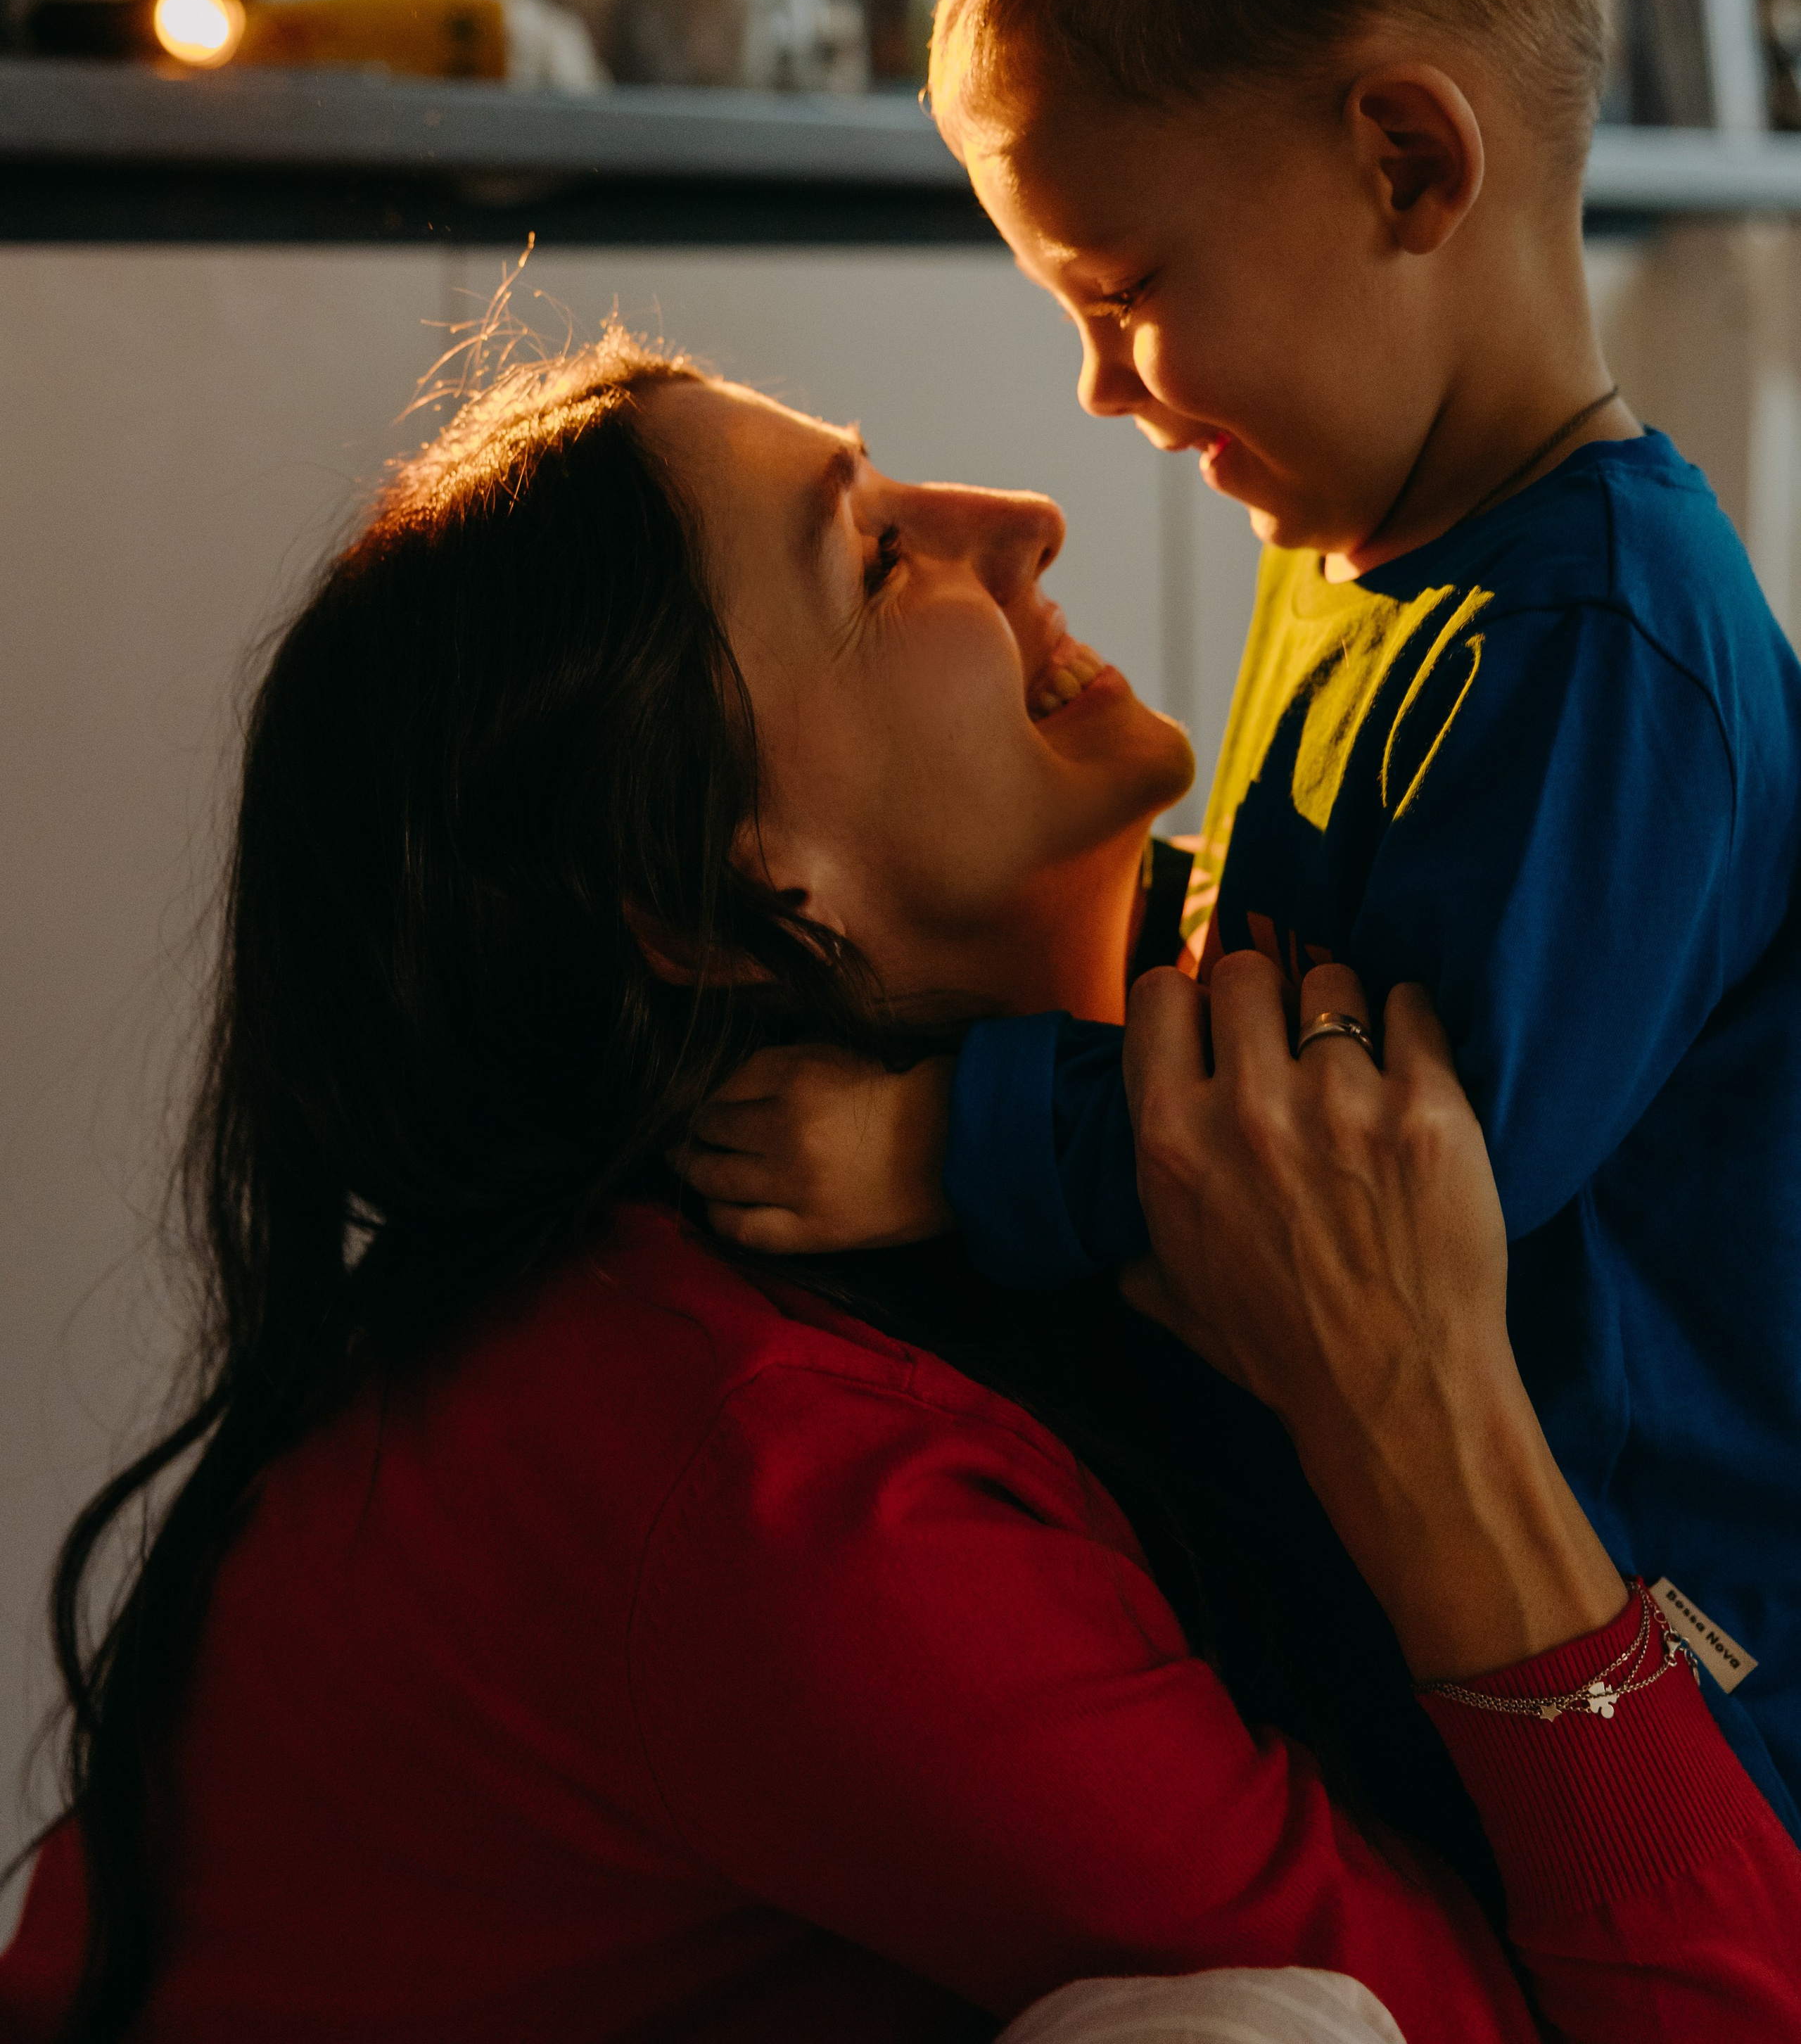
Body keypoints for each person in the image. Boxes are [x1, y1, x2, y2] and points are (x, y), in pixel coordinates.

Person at [2, 339, 1797, 2044]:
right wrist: (1420, 1411)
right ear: (718, 900)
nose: (1024, 522)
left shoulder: (1251, 1048)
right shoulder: (777, 1488)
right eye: (873, 562)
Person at [696, 0, 1801, 1839]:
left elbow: (1386, 1156)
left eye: (1123, 289)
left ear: (1406, 162)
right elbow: (1305, 948)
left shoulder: (1601, 645)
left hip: (1654, 1672)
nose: (1103, 390)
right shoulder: (1378, 549)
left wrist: (948, 1145)